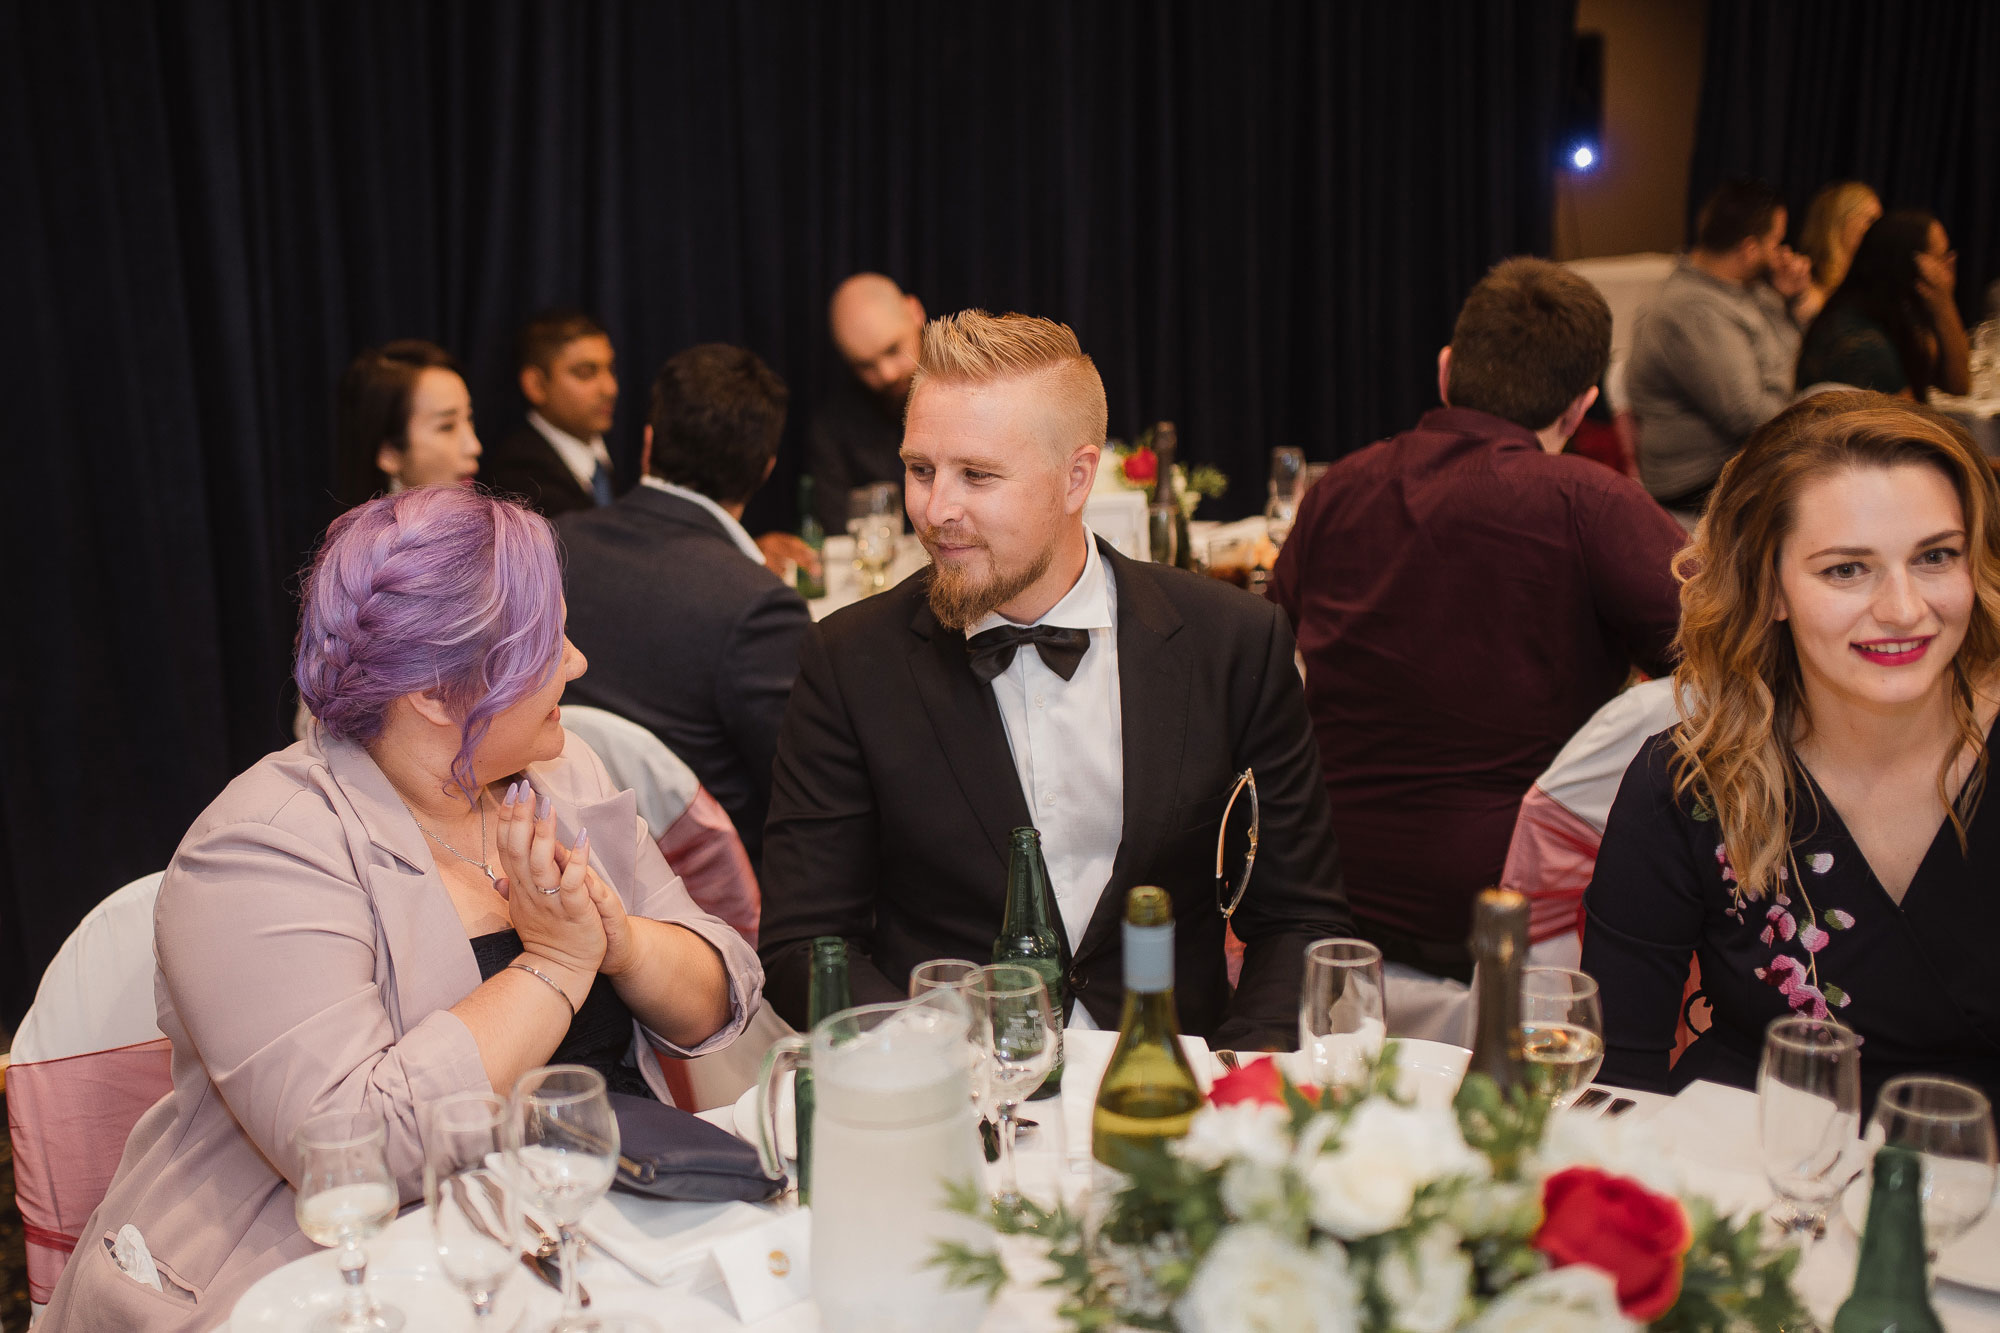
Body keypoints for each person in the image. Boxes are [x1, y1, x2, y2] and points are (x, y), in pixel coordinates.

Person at [38, 488, 762, 1331]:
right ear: (436, 691)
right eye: (545, 644)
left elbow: (725, 993)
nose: (577, 663)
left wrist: (622, 942)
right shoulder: (261, 848)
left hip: (606, 1235)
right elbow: (355, 1151)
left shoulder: (562, 775)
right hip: (335, 1284)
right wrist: (555, 965)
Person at [759, 310, 1351, 1050]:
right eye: (920, 469)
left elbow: (1299, 917)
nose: (936, 509)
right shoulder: (849, 660)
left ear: (1077, 478)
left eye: (977, 474)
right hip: (952, 1103)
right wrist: (939, 1065)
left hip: (1174, 1091)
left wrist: (1238, 1084)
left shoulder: (1231, 641)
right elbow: (806, 946)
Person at [1269, 257, 1685, 987]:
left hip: (1327, 886)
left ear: (1446, 369)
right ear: (1581, 406)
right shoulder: (1592, 501)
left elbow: (1265, 659)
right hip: (1513, 910)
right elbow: (1731, 653)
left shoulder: (1341, 486)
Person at [1584, 393, 2000, 1111]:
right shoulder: (1685, 787)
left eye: (1936, 556)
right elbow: (1618, 1082)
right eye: (1847, 569)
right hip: (1753, 1179)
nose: (1904, 608)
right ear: (1770, 586)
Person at [559, 344, 813, 871]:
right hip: (711, 890)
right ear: (765, 469)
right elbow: (804, 797)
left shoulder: (551, 545)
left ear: (648, 443)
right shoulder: (758, 605)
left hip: (556, 857)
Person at [1626, 177, 1817, 514]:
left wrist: (1791, 301)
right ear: (1749, 249)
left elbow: (1793, 362)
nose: (1782, 255)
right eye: (1776, 242)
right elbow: (1754, 419)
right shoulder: (1690, 310)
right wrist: (1797, 384)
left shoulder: (1745, 289)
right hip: (1698, 481)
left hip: (1741, 460)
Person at [1796, 210, 1972, 400]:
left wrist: (1944, 303)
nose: (1948, 268)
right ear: (1915, 265)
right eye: (1941, 257)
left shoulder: (1894, 314)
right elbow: (1909, 424)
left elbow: (1958, 385)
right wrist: (1943, 301)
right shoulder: (1863, 342)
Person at [806, 273, 925, 531]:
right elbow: (837, 526)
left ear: (915, 312)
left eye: (893, 349)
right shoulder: (833, 424)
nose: (887, 374)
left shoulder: (974, 389)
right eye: (865, 365)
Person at [484, 309, 620, 518]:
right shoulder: (520, 477)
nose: (610, 388)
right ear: (536, 385)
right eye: (585, 373)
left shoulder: (612, 456)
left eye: (610, 369)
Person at [333, 339, 481, 508]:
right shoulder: (377, 534)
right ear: (389, 452)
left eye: (469, 418)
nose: (474, 447)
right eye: (446, 426)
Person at [1797, 180, 1882, 316]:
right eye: (1871, 220)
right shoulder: (1804, 289)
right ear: (1840, 220)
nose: (1879, 230)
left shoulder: (1870, 287)